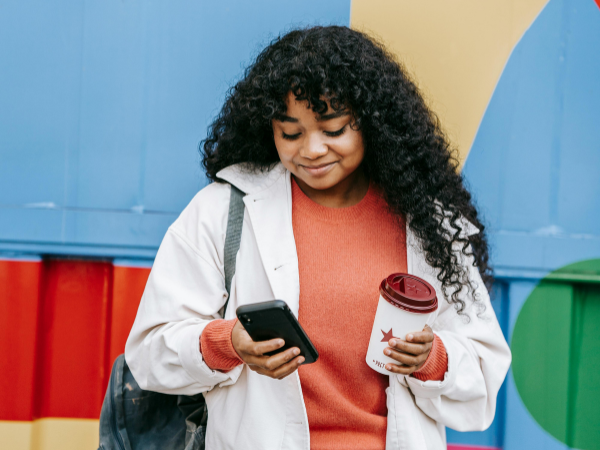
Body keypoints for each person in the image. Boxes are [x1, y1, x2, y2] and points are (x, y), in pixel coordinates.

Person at [125, 26, 511, 450]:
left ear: (373, 123)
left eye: (334, 129)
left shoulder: (428, 223)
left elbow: (483, 379)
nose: (311, 149)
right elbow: (148, 354)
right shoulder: (221, 209)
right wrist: (226, 343)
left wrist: (433, 359)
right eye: (290, 133)